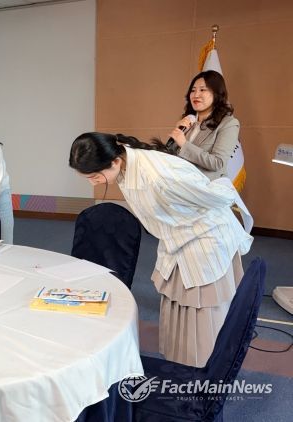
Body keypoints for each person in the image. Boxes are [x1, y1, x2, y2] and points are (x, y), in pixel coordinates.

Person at [69, 132, 252, 367]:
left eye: (94, 177)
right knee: (180, 310)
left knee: (202, 314)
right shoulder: (125, 164)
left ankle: (205, 371)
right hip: (178, 237)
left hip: (204, 239)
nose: (93, 183)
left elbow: (215, 198)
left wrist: (225, 191)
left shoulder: (158, 176)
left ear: (114, 161)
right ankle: (183, 364)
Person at [158, 70, 239, 180]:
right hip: (178, 181)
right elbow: (169, 155)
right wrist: (178, 130)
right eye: (193, 90)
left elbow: (218, 163)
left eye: (202, 90)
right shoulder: (187, 122)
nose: (196, 95)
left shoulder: (228, 124)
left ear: (216, 94)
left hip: (206, 186)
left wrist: (184, 144)